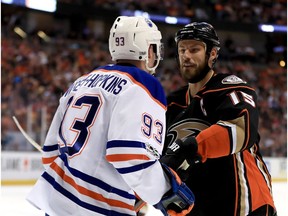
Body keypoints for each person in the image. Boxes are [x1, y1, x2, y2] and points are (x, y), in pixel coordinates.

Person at [26, 16, 195, 216]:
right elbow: (131, 158)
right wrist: (166, 191)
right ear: (148, 50)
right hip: (98, 208)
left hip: (56, 203)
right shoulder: (144, 85)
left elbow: (50, 153)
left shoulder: (81, 82)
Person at [160, 22, 277, 216]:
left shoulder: (229, 88)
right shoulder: (170, 104)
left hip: (244, 206)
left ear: (212, 54)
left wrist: (189, 148)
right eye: (182, 50)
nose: (186, 56)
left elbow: (241, 130)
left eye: (194, 49)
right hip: (200, 208)